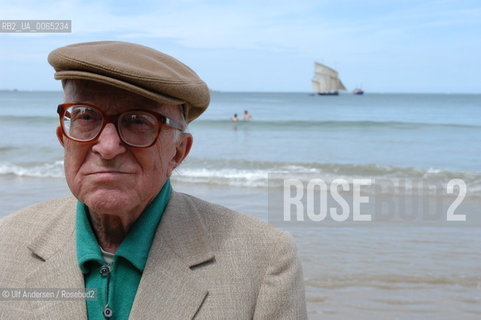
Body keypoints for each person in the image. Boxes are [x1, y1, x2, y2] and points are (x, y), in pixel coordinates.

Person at [0, 41, 307, 319]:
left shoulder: (264, 260)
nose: (107, 147)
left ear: (178, 152)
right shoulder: (6, 244)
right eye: (86, 116)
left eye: (138, 121)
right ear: (63, 139)